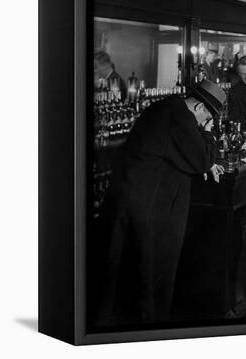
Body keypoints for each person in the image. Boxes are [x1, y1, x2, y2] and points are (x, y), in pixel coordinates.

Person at [91, 80, 226, 327]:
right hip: (148, 204)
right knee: (151, 269)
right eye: (208, 116)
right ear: (198, 109)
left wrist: (203, 159)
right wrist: (207, 133)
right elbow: (202, 158)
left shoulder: (167, 106)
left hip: (132, 198)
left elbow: (180, 152)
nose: (206, 120)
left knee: (123, 269)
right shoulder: (182, 118)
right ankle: (151, 328)